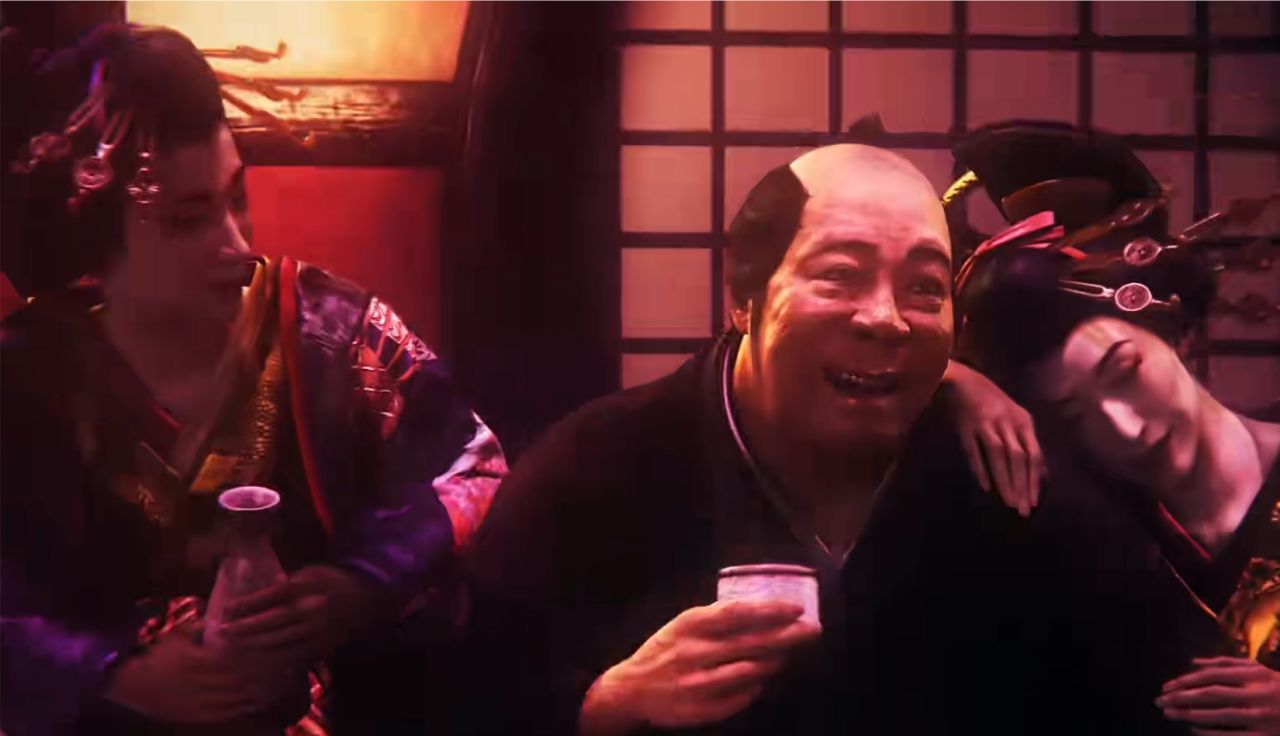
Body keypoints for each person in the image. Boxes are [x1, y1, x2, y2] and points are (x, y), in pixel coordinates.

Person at [0, 24, 506, 735]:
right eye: (188, 220)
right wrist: (108, 671)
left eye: (236, 198)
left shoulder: (332, 332)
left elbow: (472, 467)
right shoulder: (30, 374)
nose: (237, 244)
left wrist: (358, 584)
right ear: (100, 244)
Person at [466, 144, 1050, 735]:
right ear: (744, 300)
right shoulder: (589, 475)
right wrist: (605, 704)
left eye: (924, 286)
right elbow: (472, 699)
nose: (886, 319)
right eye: (840, 275)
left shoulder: (998, 470)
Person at [952, 121, 1280, 735]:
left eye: (1123, 370)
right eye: (1076, 412)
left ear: (1179, 334)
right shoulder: (1089, 530)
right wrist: (957, 382)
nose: (1125, 426)